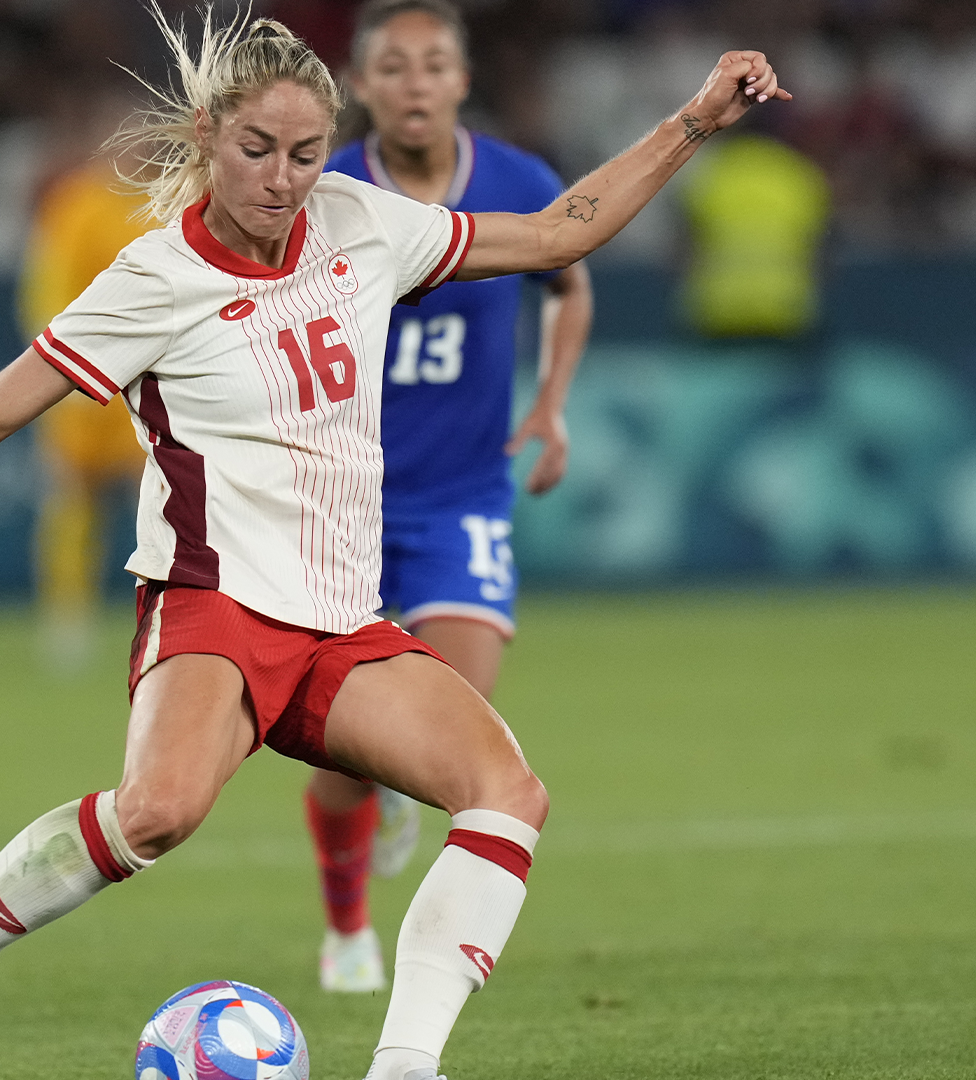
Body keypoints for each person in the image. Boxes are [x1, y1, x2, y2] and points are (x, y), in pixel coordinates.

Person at [0, 10, 787, 1080]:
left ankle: (405, 1065)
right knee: (157, 815)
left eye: (306, 153)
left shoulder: (367, 222)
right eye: (259, 150)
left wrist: (694, 122)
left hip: (342, 625)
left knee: (508, 792)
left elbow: (560, 232)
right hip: (215, 605)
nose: (285, 178)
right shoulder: (152, 282)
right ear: (209, 134)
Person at [303, 0, 596, 993]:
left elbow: (569, 280)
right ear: (363, 84)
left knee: (459, 727)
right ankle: (346, 928)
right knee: (344, 752)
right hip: (341, 504)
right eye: (394, 66)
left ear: (462, 80)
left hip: (464, 496)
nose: (415, 82)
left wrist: (551, 403)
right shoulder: (326, 191)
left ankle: (402, 836)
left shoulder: (518, 182)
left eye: (434, 64)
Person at [17, 96, 154, 669]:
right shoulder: (75, 203)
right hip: (83, 381)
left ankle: (171, 612)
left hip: (149, 385)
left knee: (163, 503)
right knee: (73, 499)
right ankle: (67, 620)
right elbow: (46, 289)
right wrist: (62, 367)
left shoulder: (171, 203)